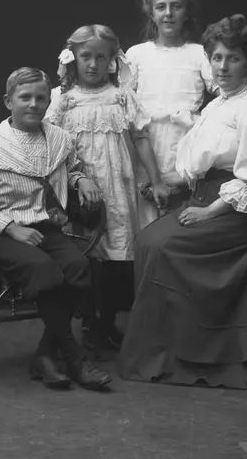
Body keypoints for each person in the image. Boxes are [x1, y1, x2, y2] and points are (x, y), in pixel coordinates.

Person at [118, 15, 247, 391]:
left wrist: (208, 212)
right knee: (146, 241)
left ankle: (199, 350)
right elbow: (206, 163)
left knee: (166, 246)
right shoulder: (217, 105)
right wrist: (167, 181)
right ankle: (165, 350)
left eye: (233, 58)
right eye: (217, 58)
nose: (223, 67)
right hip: (210, 196)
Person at [0, 67, 112, 391]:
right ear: (8, 101)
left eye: (41, 98)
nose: (33, 104)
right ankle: (74, 357)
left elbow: (68, 168)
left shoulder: (57, 138)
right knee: (44, 269)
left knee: (78, 266)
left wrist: (80, 179)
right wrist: (10, 228)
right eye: (24, 97)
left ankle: (45, 354)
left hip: (42, 225)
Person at [46, 24, 169, 350]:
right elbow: (51, 147)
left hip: (117, 187)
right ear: (73, 58)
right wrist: (72, 182)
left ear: (112, 60)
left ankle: (106, 322)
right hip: (79, 188)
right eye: (86, 56)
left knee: (116, 258)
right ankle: (88, 323)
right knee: (87, 256)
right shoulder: (63, 100)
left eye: (101, 57)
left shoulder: (121, 96)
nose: (93, 64)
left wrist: (156, 180)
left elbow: (140, 138)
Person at [126, 0, 219, 229]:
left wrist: (201, 125)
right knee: (143, 221)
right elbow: (122, 102)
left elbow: (224, 94)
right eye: (161, 7)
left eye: (176, 6)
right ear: (151, 12)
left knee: (179, 222)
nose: (168, 13)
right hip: (145, 145)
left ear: (186, 12)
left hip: (184, 145)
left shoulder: (199, 54)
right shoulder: (136, 55)